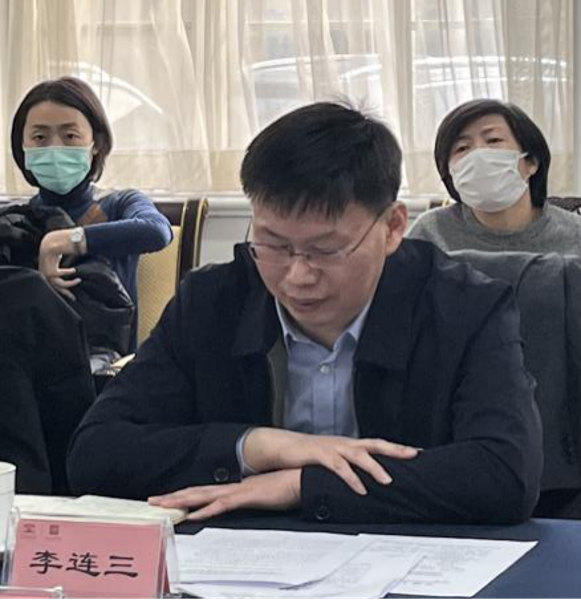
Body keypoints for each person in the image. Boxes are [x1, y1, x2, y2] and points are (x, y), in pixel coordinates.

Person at [68, 101, 542, 525]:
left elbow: (505, 474)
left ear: (393, 227)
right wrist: (260, 446)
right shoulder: (213, 301)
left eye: (326, 250)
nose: (297, 276)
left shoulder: (466, 307)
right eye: (273, 244)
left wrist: (303, 484)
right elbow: (95, 452)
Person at [10, 76, 173, 342]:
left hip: (101, 358)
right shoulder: (14, 222)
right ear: (22, 146)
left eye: (70, 136)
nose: (54, 147)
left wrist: (62, 241)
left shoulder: (119, 204)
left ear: (95, 143)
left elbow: (157, 231)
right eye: (40, 137)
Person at [407, 99, 581, 253]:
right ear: (449, 172)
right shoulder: (430, 233)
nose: (478, 154)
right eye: (462, 148)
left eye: (494, 140)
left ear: (531, 161)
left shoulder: (575, 234)